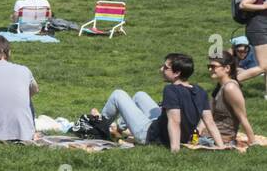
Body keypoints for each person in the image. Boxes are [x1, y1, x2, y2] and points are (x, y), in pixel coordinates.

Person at [95, 54, 224, 151]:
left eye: (165, 68)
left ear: (177, 73)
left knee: (118, 94)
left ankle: (97, 127)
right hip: (173, 133)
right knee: (140, 95)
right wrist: (221, 146)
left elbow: (174, 121)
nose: (161, 69)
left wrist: (175, 150)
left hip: (150, 136)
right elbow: (209, 121)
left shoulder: (171, 90)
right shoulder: (200, 91)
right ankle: (119, 127)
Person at [206, 52, 255, 146]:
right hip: (209, 136)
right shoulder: (219, 86)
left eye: (213, 66)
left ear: (227, 68)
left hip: (219, 139)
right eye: (209, 66)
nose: (210, 69)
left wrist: (253, 142)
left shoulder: (230, 88)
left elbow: (242, 117)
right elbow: (208, 115)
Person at [236, 0, 267, 83]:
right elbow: (243, 4)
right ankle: (228, 83)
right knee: (263, 66)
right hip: (258, 29)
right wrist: (263, 6)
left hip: (263, 26)